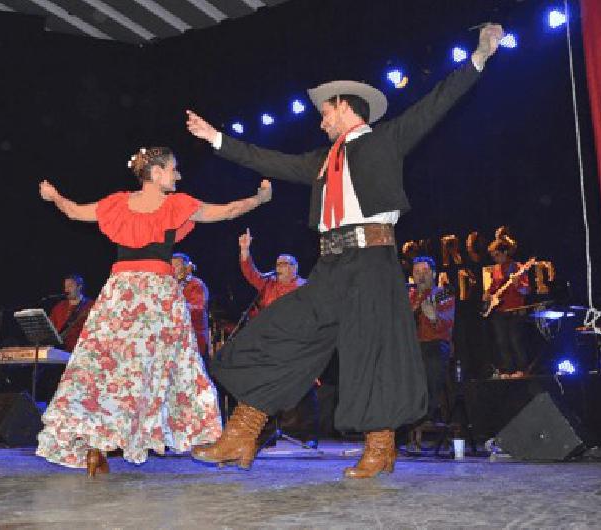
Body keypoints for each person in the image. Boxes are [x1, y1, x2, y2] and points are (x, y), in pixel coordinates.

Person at [185, 24, 504, 478]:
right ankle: (242, 432)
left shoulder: (385, 140)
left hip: (372, 260)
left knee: (371, 349)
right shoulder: (321, 161)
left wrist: (480, 56)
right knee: (282, 330)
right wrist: (218, 139)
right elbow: (269, 160)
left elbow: (438, 102)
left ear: (344, 107)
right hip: (331, 264)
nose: (321, 120)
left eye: (325, 112)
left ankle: (381, 446)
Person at [35, 146, 272, 476]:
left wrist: (54, 196)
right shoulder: (176, 205)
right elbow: (228, 210)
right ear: (156, 172)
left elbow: (74, 211)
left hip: (121, 293)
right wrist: (260, 198)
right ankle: (203, 439)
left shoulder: (117, 204)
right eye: (173, 168)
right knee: (166, 368)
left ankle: (97, 445)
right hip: (157, 296)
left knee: (106, 370)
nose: (178, 175)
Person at [238, 228, 319, 447]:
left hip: (296, 346)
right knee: (268, 388)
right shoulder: (268, 284)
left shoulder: (304, 287)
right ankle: (268, 433)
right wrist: (245, 250)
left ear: (295, 269)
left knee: (302, 390)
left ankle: (308, 435)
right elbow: (251, 273)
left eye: (285, 264)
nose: (279, 268)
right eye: (278, 264)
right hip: (270, 346)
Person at [408, 256, 454, 422]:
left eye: (425, 271)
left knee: (431, 358)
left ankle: (426, 415)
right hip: (412, 347)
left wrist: (434, 317)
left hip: (435, 344)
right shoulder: (409, 296)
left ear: (433, 274)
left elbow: (447, 325)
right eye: (417, 272)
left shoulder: (442, 294)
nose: (421, 276)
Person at [484, 235, 530, 378]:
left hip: (515, 310)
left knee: (515, 340)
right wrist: (487, 295)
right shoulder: (494, 269)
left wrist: (517, 284)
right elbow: (492, 289)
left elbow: (526, 290)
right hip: (499, 310)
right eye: (493, 256)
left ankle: (522, 369)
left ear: (505, 252)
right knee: (501, 341)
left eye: (497, 255)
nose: (495, 258)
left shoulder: (517, 267)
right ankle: (508, 370)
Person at [171, 253, 210, 360]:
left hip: (195, 337)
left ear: (186, 267)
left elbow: (199, 309)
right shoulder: (171, 285)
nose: (174, 269)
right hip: (176, 339)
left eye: (177, 265)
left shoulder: (196, 284)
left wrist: (178, 307)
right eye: (172, 266)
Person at [49, 274, 94, 353]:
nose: (66, 290)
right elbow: (50, 329)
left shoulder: (91, 306)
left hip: (80, 352)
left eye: (70, 286)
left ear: (79, 287)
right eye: (65, 287)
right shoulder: (59, 307)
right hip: (59, 352)